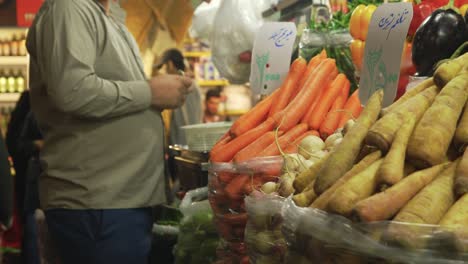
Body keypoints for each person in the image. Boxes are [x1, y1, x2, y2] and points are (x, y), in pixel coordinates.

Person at [26, 0, 194, 263]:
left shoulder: (110, 16)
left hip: (118, 201)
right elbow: (72, 91)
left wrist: (159, 94)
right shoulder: (69, 7)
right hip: (98, 203)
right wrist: (151, 92)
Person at [153, 48, 202, 146]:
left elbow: (184, 121)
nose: (165, 71)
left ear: (170, 64)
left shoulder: (180, 85)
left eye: (165, 66)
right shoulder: (192, 83)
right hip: (192, 142)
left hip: (183, 145)